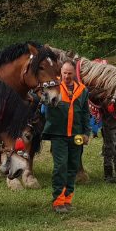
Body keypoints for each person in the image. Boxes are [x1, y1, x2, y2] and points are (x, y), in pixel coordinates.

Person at [42, 60, 90, 213]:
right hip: (59, 134)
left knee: (73, 166)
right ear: (60, 73)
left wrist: (86, 133)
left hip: (76, 135)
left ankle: (67, 200)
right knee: (60, 166)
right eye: (64, 73)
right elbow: (45, 104)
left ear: (74, 74)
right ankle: (58, 201)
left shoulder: (82, 90)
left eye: (70, 73)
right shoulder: (53, 87)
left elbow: (85, 113)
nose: (67, 76)